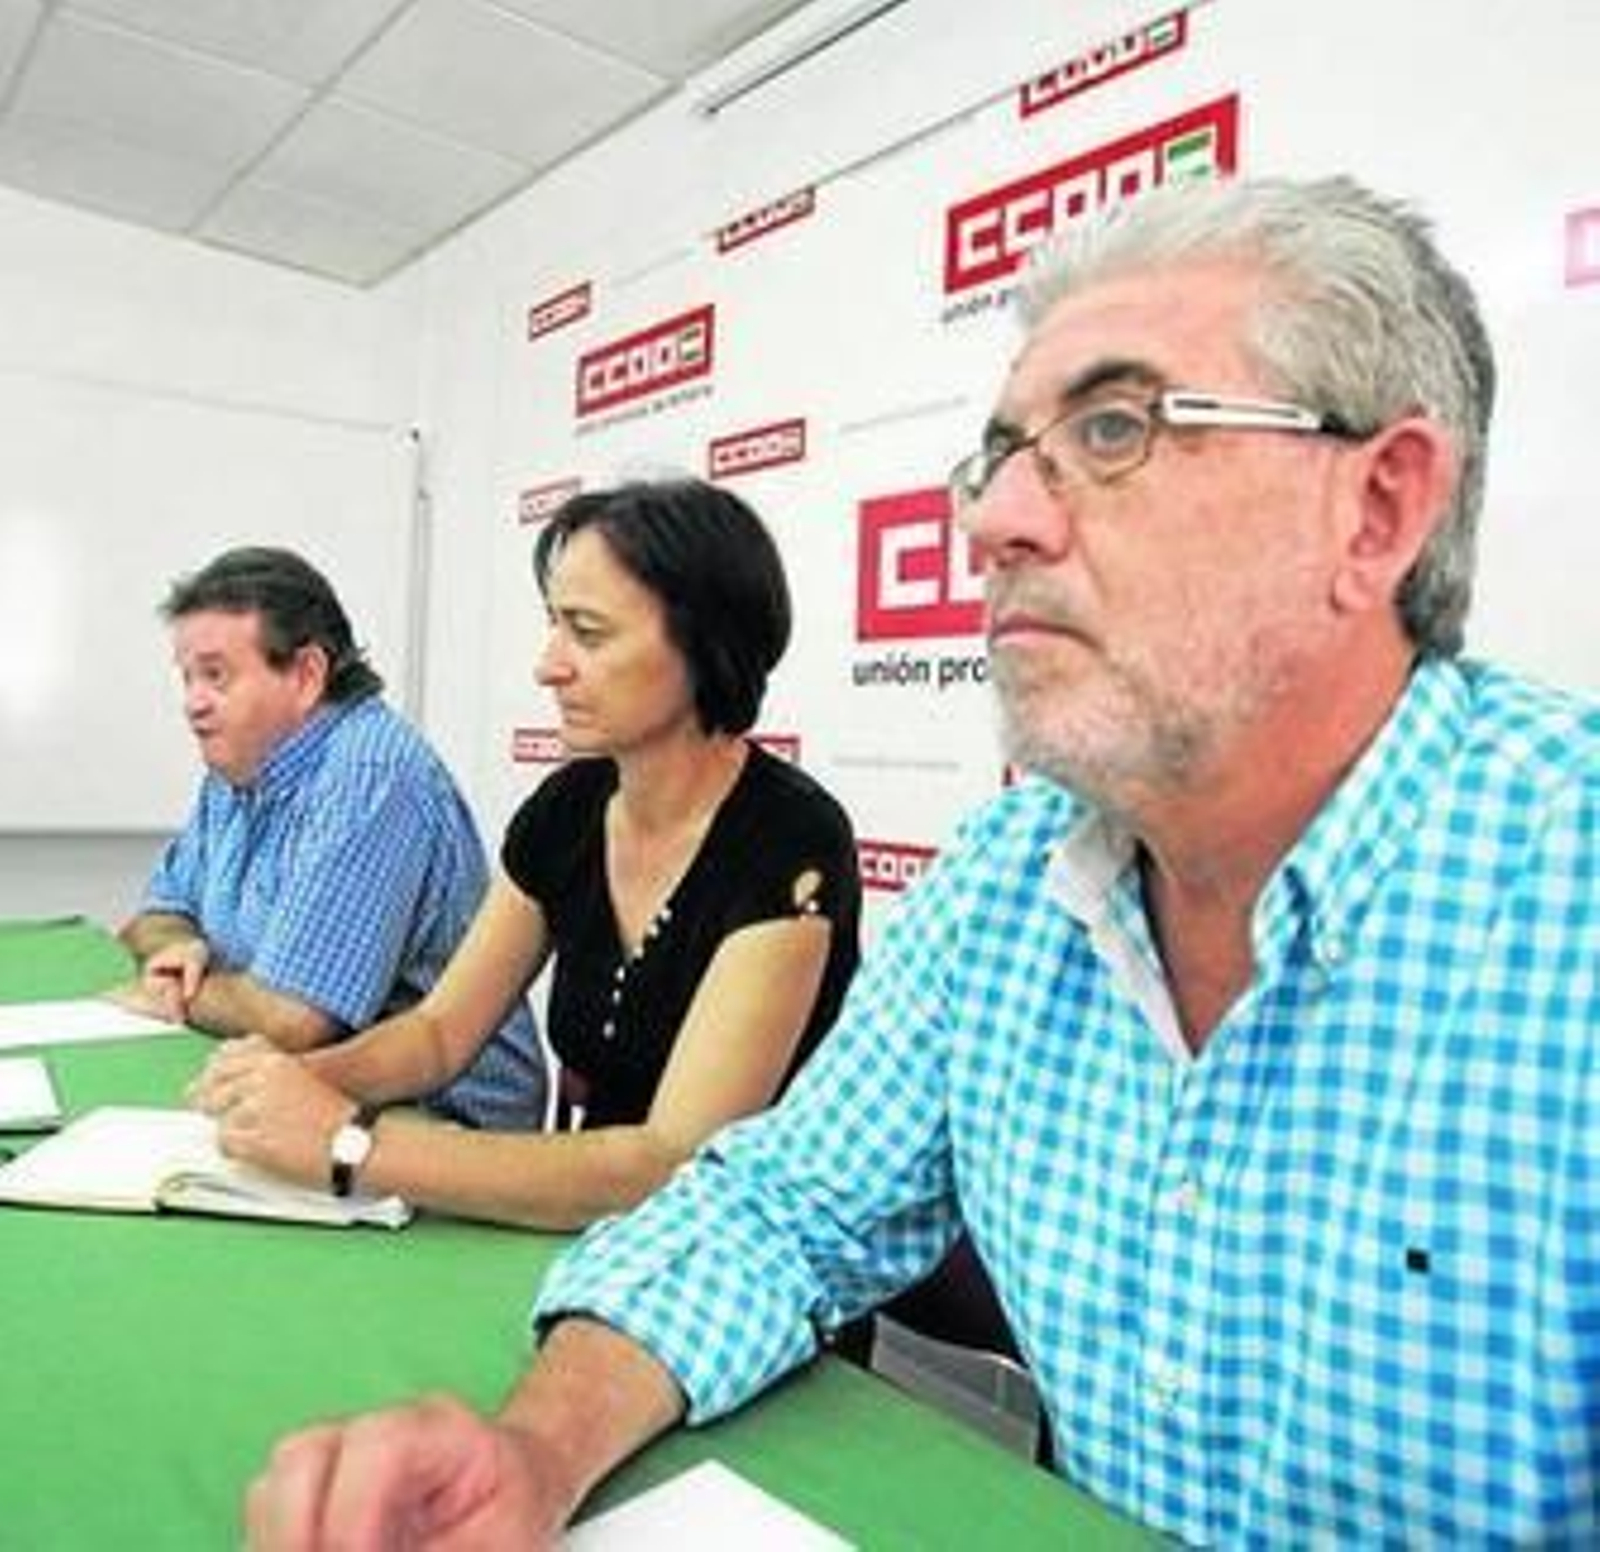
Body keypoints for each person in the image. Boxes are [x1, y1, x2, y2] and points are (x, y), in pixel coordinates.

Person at [243, 174, 1600, 1548]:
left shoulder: (1568, 889)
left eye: (1117, 429)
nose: (994, 522)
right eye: (1000, 457)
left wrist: (356, 1144)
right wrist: (532, 1454)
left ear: (1376, 507)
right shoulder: (1011, 878)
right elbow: (775, 1213)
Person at [189, 480, 860, 1230]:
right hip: (595, 1230)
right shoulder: (568, 809)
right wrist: (290, 1082)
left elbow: (668, 1162)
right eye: (554, 626)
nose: (549, 665)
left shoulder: (791, 841)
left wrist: (349, 1146)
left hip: (743, 1247)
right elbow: (439, 1034)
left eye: (590, 633)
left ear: (705, 645)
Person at [115, 546, 545, 1131]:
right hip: (294, 1085)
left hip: (441, 1125)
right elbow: (158, 911)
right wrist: (174, 951)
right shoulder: (238, 765)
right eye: (187, 677)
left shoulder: (370, 776)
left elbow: (293, 1018)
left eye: (215, 675)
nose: (193, 702)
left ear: (307, 674)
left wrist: (174, 992)